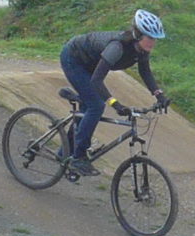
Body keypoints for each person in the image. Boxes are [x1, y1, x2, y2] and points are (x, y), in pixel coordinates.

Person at [59, 9, 169, 176]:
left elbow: (145, 72)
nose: (153, 43)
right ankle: (78, 158)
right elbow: (96, 81)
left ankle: (63, 153)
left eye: (156, 39)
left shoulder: (141, 50)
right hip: (74, 59)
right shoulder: (117, 47)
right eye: (150, 38)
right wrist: (114, 103)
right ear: (139, 35)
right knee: (96, 106)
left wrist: (159, 95)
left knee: (88, 106)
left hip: (91, 64)